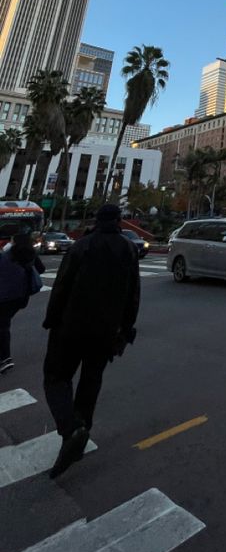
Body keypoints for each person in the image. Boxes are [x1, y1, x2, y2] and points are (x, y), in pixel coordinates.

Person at [42, 204, 140, 479]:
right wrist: (125, 330)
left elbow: (61, 286)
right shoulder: (128, 250)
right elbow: (133, 295)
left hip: (71, 328)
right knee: (90, 382)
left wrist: (51, 320)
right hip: (105, 332)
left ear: (97, 220)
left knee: (56, 378)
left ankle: (71, 430)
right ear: (119, 221)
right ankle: (77, 434)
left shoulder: (81, 247)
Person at [0, 227, 45, 374]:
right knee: (4, 324)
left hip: (5, 296)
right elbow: (42, 269)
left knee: (3, 326)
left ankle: (5, 359)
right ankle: (4, 358)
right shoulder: (31, 254)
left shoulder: (8, 255)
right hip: (21, 297)